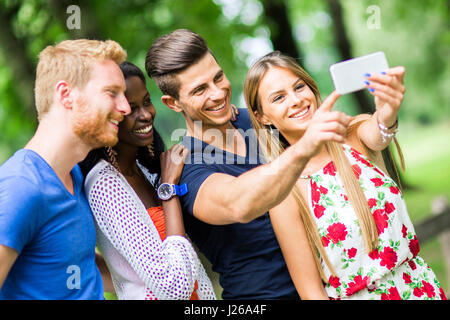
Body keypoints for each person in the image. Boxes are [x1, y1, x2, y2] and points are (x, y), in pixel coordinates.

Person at [145, 29, 351, 299]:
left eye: (218, 77)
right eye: (200, 90)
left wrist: (383, 121)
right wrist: (302, 149)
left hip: (334, 287)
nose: (218, 93)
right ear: (173, 103)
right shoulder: (186, 167)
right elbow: (239, 203)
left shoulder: (261, 119)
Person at [243, 51, 447, 300]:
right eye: (279, 98)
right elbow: (311, 293)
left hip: (422, 290)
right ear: (262, 116)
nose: (296, 100)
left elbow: (379, 132)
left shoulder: (352, 135)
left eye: (299, 87)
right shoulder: (285, 192)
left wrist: (387, 111)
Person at [0, 39, 130, 299]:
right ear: (65, 95)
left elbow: (69, 266)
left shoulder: (75, 176)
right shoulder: (21, 186)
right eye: (111, 93)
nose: (125, 107)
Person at [80, 61, 216, 300]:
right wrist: (169, 188)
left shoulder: (146, 169)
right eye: (131, 108)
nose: (145, 114)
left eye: (146, 101)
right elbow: (175, 288)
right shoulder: (105, 185)